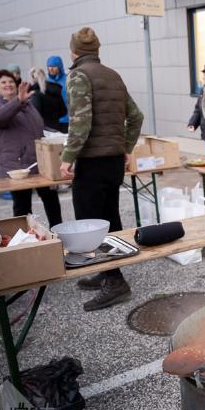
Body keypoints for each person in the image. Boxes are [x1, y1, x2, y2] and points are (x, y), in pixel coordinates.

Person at [59, 27, 144, 312]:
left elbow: (80, 124)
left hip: (92, 162)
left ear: (73, 52)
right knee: (110, 219)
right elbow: (136, 116)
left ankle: (115, 281)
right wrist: (127, 148)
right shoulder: (113, 75)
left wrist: (67, 157)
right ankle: (108, 270)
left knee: (91, 224)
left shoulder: (78, 76)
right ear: (97, 50)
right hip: (112, 162)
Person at [0, 69, 62, 227]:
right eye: (3, 82)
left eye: (11, 81)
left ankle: (58, 233)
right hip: (15, 165)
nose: (8, 84)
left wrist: (56, 133)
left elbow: (37, 125)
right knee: (22, 205)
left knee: (51, 198)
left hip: (37, 163)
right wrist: (18, 101)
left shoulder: (26, 104)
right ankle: (25, 239)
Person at [28, 67, 67, 131]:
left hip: (44, 130)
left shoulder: (34, 94)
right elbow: (64, 111)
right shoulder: (56, 89)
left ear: (32, 78)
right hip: (58, 127)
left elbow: (34, 117)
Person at [47, 55, 69, 132]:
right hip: (52, 121)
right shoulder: (46, 81)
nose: (51, 69)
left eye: (54, 66)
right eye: (49, 66)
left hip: (68, 119)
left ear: (60, 67)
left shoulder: (68, 79)